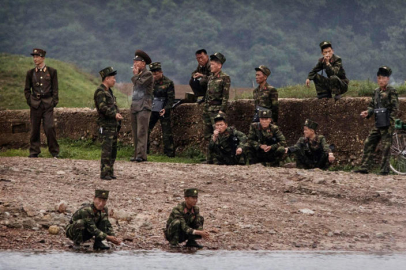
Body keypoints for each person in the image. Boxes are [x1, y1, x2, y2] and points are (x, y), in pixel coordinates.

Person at [354, 66, 399, 175]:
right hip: (379, 123)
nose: (380, 80)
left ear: (387, 79)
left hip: (387, 123)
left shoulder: (391, 91)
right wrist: (368, 112)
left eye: (383, 78)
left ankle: (384, 170)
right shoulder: (376, 92)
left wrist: (390, 122)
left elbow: (395, 109)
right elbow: (372, 106)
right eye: (379, 78)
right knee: (369, 142)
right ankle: (364, 167)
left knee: (386, 146)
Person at [24, 48, 59, 158]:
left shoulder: (52, 71)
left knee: (49, 127)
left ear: (42, 57)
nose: (35, 59)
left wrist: (53, 102)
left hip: (48, 103)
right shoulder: (30, 73)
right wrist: (30, 101)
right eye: (34, 57)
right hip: (35, 103)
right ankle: (34, 151)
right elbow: (27, 89)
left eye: (37, 56)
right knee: (35, 128)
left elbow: (55, 89)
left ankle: (54, 152)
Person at [94, 67, 123, 180]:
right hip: (106, 124)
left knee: (113, 149)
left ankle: (110, 171)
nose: (114, 80)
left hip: (113, 125)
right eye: (113, 78)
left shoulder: (108, 91)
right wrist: (114, 114)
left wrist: (117, 113)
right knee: (107, 149)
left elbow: (112, 105)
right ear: (106, 79)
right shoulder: (100, 91)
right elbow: (102, 108)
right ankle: (104, 172)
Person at [148, 62, 175, 157]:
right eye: (152, 74)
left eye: (156, 74)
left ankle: (169, 153)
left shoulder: (168, 83)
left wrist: (166, 109)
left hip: (163, 109)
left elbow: (171, 98)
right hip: (152, 109)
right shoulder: (150, 82)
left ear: (161, 72)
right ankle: (145, 151)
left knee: (166, 132)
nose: (154, 76)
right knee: (146, 129)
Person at [130, 50, 153, 162]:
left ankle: (141, 155)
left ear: (143, 64)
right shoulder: (138, 75)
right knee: (135, 132)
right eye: (134, 61)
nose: (135, 63)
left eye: (137, 62)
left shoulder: (147, 74)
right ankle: (136, 154)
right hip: (135, 105)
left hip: (144, 105)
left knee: (141, 131)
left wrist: (135, 76)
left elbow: (140, 85)